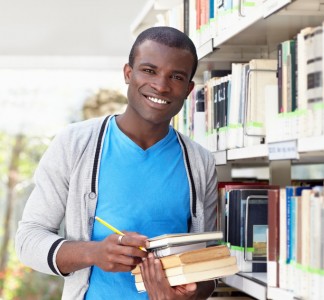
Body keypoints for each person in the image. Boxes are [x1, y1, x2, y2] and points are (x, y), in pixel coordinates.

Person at [15, 26, 218, 300]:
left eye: (176, 76)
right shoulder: (73, 144)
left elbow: (209, 267)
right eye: (149, 70)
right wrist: (94, 253)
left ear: (189, 89)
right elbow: (28, 240)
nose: (160, 85)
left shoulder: (201, 163)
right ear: (128, 73)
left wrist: (188, 296)